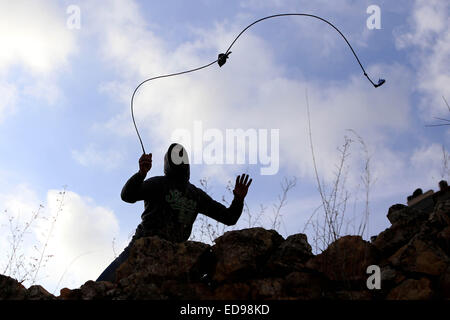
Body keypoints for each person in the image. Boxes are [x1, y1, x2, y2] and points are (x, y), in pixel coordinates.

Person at [96, 143, 252, 282]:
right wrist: (141, 174)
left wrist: (238, 200)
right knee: (101, 287)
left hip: (172, 257)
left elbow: (229, 217)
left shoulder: (195, 194)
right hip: (141, 249)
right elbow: (127, 196)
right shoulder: (160, 184)